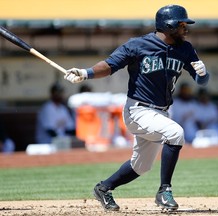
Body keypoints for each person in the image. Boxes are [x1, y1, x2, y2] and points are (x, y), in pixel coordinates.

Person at [64, 4, 209, 211]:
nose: (186, 28)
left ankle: (104, 188)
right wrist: (85, 73)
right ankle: (164, 191)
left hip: (161, 112)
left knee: (141, 166)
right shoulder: (138, 45)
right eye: (182, 24)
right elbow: (109, 65)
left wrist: (202, 74)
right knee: (175, 133)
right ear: (168, 26)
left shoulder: (185, 48)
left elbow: (200, 80)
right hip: (138, 110)